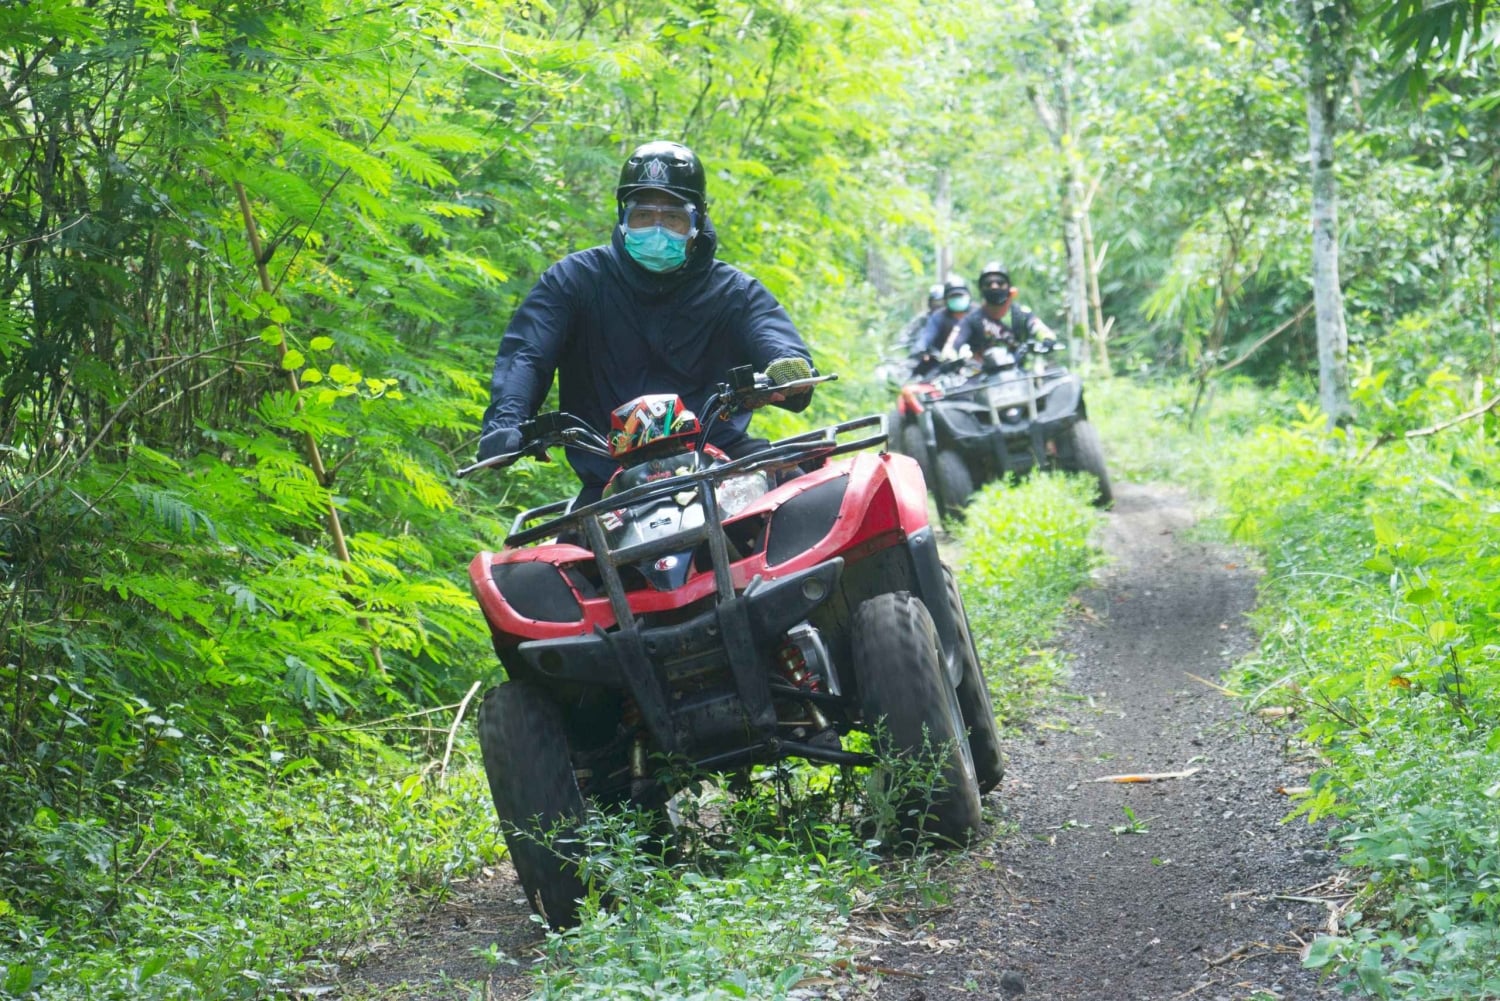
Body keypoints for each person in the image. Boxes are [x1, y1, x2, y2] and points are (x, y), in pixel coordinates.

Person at [476, 140, 816, 505]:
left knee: (807, 504)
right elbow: (527, 354)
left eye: (672, 217)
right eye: (643, 215)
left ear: (697, 221)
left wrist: (787, 370)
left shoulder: (734, 291)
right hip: (611, 480)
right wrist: (506, 424)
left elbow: (776, 341)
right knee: (552, 546)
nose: (657, 229)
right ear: (623, 218)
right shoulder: (574, 281)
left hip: (724, 463)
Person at [950, 261, 1055, 357]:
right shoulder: (971, 319)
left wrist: (1048, 339)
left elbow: (1040, 328)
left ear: (1009, 287)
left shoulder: (1021, 314)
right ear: (981, 288)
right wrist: (949, 357)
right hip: (981, 370)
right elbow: (952, 344)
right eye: (988, 283)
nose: (994, 287)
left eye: (1000, 283)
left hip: (1019, 369)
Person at [913, 274, 973, 360]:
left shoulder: (976, 315)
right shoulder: (938, 317)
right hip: (943, 362)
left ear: (969, 297)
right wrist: (920, 350)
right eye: (953, 296)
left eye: (960, 296)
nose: (957, 299)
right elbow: (926, 337)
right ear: (945, 300)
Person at [894, 282, 945, 354]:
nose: (938, 306)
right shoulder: (922, 319)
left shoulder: (952, 319)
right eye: (935, 303)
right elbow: (906, 334)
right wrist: (907, 342)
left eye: (942, 303)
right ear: (930, 303)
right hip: (923, 355)